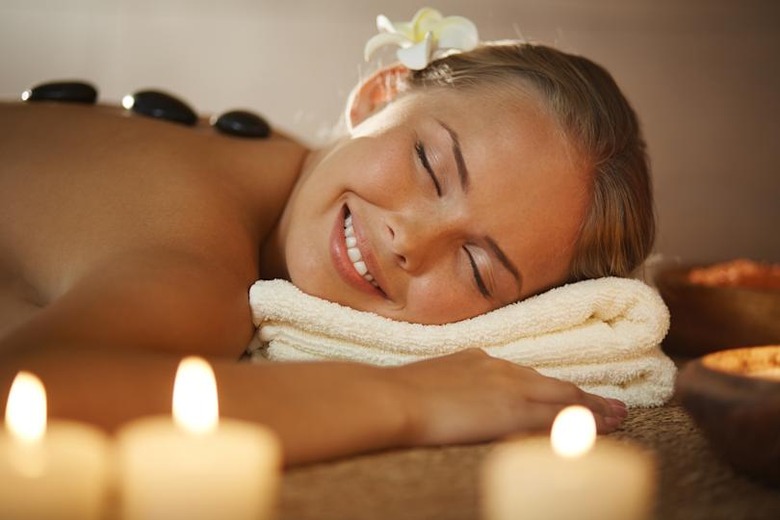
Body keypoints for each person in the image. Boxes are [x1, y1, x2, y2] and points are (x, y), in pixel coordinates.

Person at [0, 38, 652, 464]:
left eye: (477, 268)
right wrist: (408, 399)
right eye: (429, 165)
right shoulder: (194, 277)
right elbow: (22, 400)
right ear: (378, 96)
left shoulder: (260, 159)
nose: (410, 240)